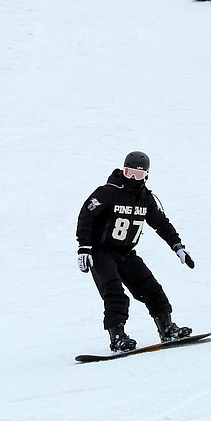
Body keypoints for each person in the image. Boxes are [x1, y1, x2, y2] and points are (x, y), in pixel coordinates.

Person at [77, 151, 195, 352]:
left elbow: (161, 224)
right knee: (114, 292)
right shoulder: (107, 192)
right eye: (129, 173)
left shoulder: (146, 198)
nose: (133, 178)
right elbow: (86, 215)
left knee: (151, 288)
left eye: (138, 175)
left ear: (146, 175)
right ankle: (117, 338)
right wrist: (84, 248)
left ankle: (167, 328)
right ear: (123, 170)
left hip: (127, 253)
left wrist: (178, 246)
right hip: (101, 252)